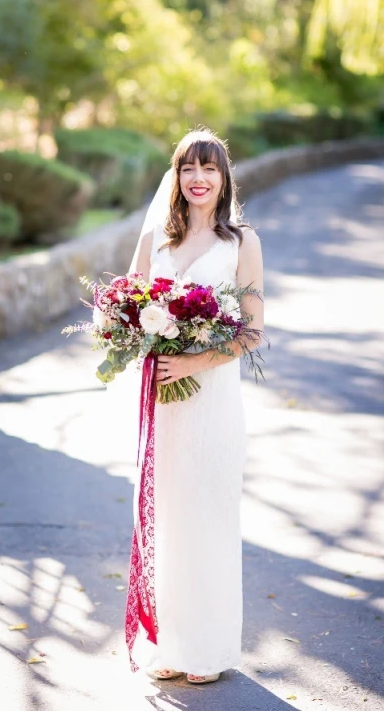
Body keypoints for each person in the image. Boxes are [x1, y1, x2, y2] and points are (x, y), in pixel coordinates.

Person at [128, 127, 264, 685]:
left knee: (207, 515)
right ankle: (171, 646)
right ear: (177, 176)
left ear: (224, 177)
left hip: (211, 401)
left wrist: (192, 363)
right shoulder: (156, 240)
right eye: (189, 168)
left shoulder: (242, 244)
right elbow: (129, 307)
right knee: (168, 519)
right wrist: (139, 339)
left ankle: (207, 651)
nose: (199, 178)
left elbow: (251, 333)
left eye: (209, 168)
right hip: (163, 400)